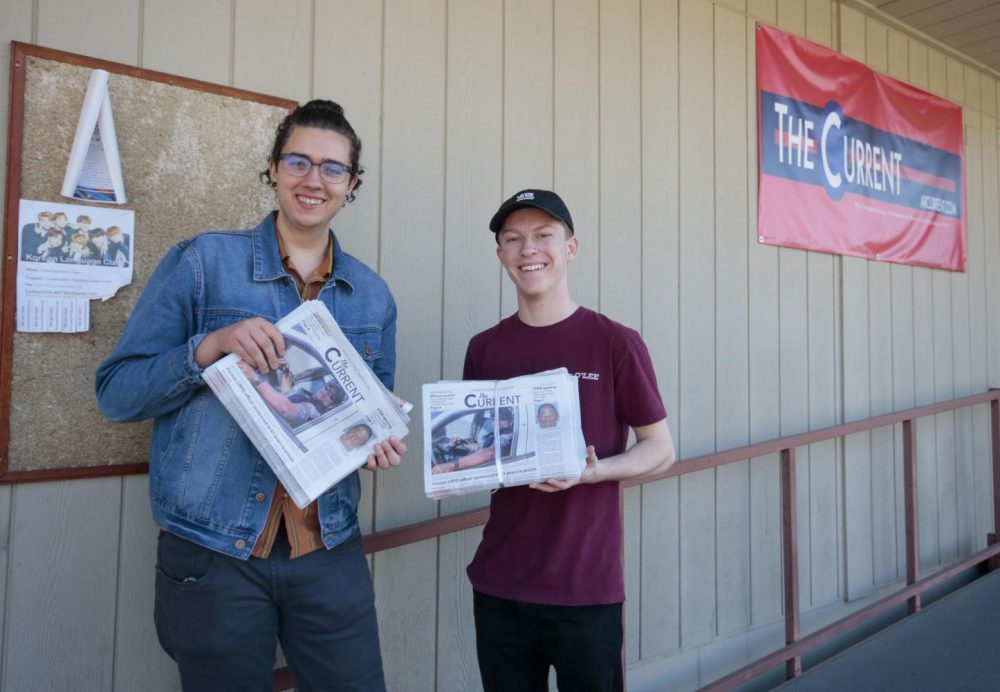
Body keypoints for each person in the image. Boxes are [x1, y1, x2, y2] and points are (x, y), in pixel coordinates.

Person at [95, 99, 403, 692]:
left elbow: (372, 409)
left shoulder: (372, 296)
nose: (314, 180)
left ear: (352, 184)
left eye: (332, 168)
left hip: (328, 546)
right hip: (214, 553)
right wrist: (208, 347)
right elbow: (117, 394)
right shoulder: (202, 262)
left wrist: (376, 442)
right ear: (272, 168)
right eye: (298, 161)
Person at [464, 189, 676, 691]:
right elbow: (481, 449)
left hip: (586, 589)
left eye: (543, 236)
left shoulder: (613, 342)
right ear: (501, 256)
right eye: (513, 239)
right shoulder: (485, 349)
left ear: (571, 248)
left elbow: (661, 448)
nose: (528, 249)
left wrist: (595, 472)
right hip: (500, 584)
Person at [236, 358, 345, 428]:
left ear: (332, 405)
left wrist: (256, 379)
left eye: (332, 396)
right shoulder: (307, 397)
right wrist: (285, 371)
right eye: (327, 388)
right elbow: (288, 396)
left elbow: (286, 410)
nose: (325, 393)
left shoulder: (313, 410)